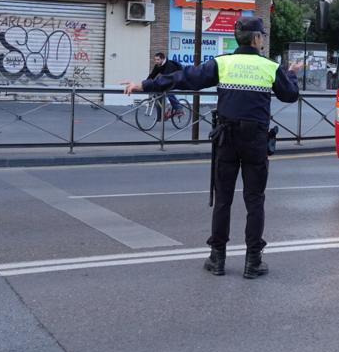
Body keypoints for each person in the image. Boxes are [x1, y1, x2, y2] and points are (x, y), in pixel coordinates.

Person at [123, 18, 301, 279]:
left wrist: (145, 85)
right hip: (255, 141)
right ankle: (253, 262)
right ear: (257, 39)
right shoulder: (270, 67)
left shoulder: (223, 63)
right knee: (254, 201)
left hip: (226, 138)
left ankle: (217, 258)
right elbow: (290, 95)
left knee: (223, 200)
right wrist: (292, 73)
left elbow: (185, 78)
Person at [146, 52, 182, 119]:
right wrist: (145, 83)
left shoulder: (169, 65)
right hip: (169, 79)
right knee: (159, 93)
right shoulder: (158, 66)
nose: (156, 61)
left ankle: (178, 108)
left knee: (168, 91)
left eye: (158, 60)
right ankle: (160, 116)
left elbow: (167, 78)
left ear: (162, 59)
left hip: (178, 78)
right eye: (155, 60)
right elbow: (152, 75)